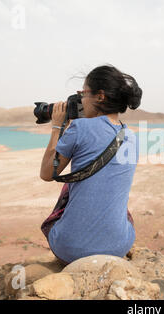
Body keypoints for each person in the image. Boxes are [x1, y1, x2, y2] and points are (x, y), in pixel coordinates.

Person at [39, 64, 142, 265]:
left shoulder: (79, 127)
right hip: (119, 247)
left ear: (100, 96)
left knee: (70, 186)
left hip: (71, 249)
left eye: (83, 93)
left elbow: (46, 173)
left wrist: (57, 126)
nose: (81, 100)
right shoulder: (131, 137)